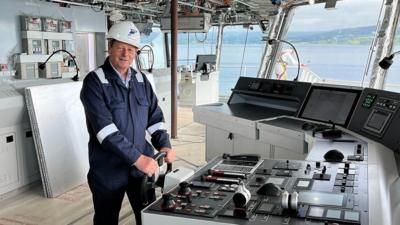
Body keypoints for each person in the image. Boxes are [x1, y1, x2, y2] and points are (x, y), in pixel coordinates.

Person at [80, 21, 176, 225]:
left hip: (141, 169)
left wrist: (164, 144)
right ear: (110, 47)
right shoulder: (94, 82)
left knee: (148, 218)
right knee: (106, 220)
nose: (126, 54)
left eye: (131, 50)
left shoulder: (141, 80)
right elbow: (105, 132)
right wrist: (138, 159)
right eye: (121, 47)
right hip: (108, 170)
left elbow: (155, 118)